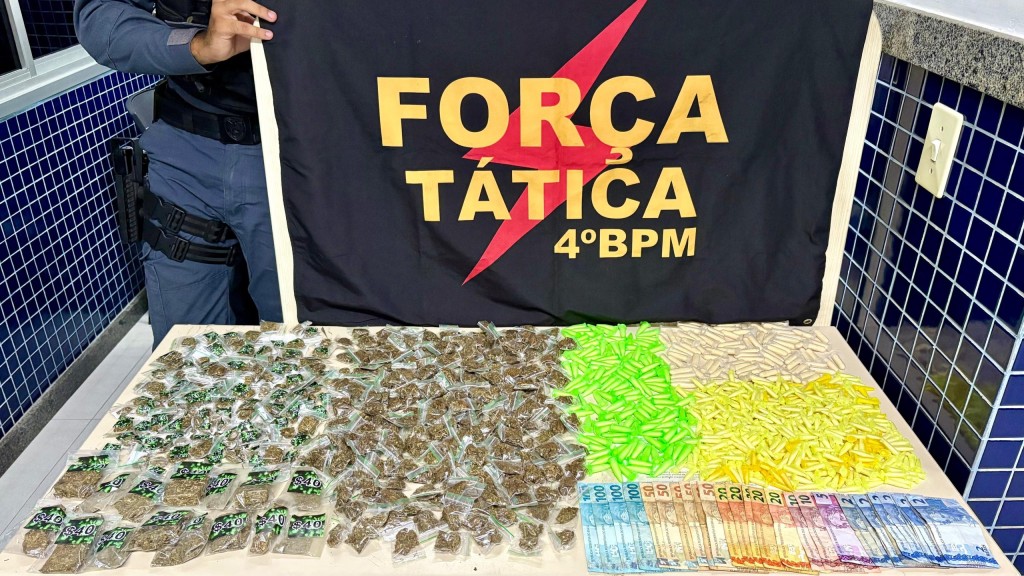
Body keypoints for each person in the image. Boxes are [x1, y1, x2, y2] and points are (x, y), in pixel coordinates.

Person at [74, 0, 283, 345]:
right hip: (187, 156)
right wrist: (195, 45)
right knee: (185, 350)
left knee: (309, 342)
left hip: (307, 156)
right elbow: (102, 15)